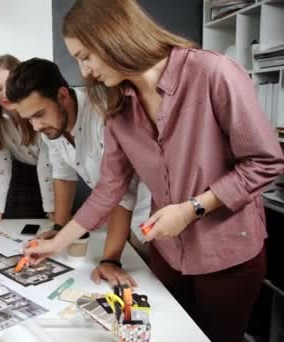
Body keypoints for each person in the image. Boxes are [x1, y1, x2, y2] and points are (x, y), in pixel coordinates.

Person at [24, 1, 284, 341]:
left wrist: (193, 209)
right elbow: (109, 188)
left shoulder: (213, 73)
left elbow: (266, 161)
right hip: (167, 257)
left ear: (113, 36)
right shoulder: (116, 107)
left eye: (85, 56)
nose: (84, 71)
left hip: (227, 259)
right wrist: (56, 242)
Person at [7, 58, 150, 287]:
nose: (36, 126)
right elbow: (63, 173)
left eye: (39, 114)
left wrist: (110, 260)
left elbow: (121, 192)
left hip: (147, 218)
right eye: (30, 118)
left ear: (62, 96)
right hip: (111, 216)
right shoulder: (52, 126)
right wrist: (58, 228)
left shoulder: (102, 115)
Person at [0, 54, 54, 222]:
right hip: (22, 172)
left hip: (52, 171)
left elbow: (46, 166)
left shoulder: (36, 110)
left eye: (9, 85)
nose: (4, 94)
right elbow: (1, 169)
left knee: (52, 221)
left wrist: (52, 210)